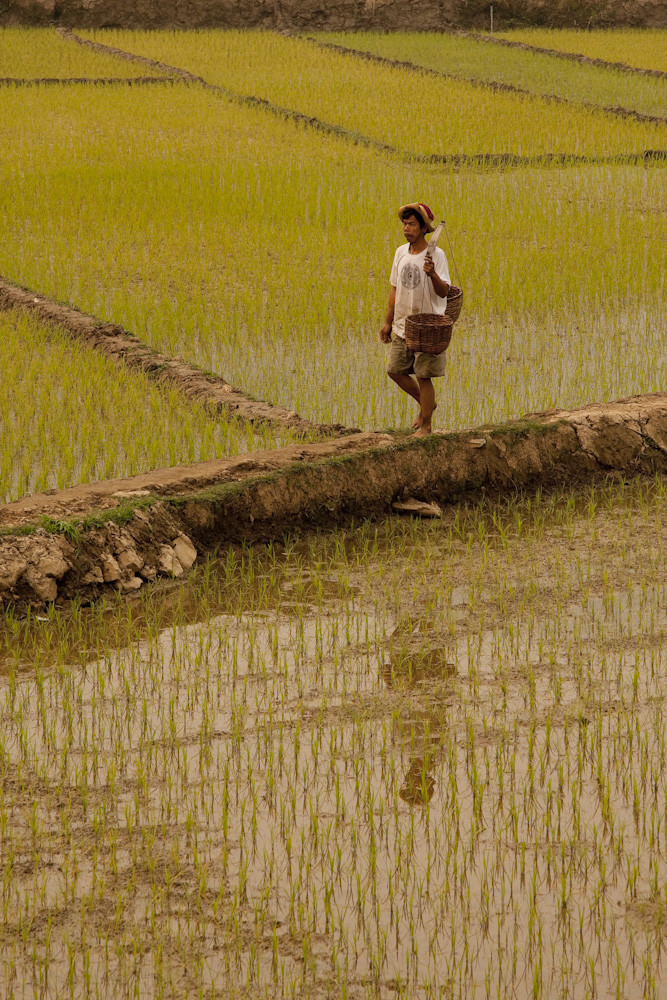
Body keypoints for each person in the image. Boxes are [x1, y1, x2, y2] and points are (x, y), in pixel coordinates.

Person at [379, 202, 451, 436]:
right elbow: (394, 289)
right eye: (404, 224)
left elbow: (444, 292)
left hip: (427, 327)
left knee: (423, 376)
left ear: (423, 228)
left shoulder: (436, 256)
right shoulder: (400, 252)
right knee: (395, 370)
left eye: (411, 224)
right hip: (403, 325)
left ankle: (427, 426)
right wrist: (388, 322)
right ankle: (426, 404)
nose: (406, 228)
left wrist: (432, 274)